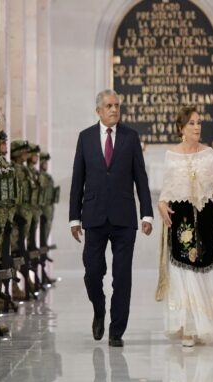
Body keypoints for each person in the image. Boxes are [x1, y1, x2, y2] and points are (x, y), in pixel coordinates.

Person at [154, 106, 213, 347]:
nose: (197, 127)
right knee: (184, 272)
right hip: (181, 222)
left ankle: (210, 324)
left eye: (198, 123)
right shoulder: (171, 156)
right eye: (192, 123)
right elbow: (166, 192)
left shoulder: (208, 154)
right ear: (181, 129)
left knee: (210, 270)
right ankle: (188, 329)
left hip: (207, 220)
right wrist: (161, 205)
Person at [68, 90, 154, 346]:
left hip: (124, 218)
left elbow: (141, 178)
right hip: (93, 216)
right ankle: (99, 307)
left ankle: (117, 330)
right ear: (99, 111)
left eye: (117, 105)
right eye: (109, 106)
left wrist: (146, 213)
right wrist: (74, 218)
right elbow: (77, 180)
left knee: (122, 276)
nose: (114, 110)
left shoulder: (131, 137)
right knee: (93, 272)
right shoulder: (85, 138)